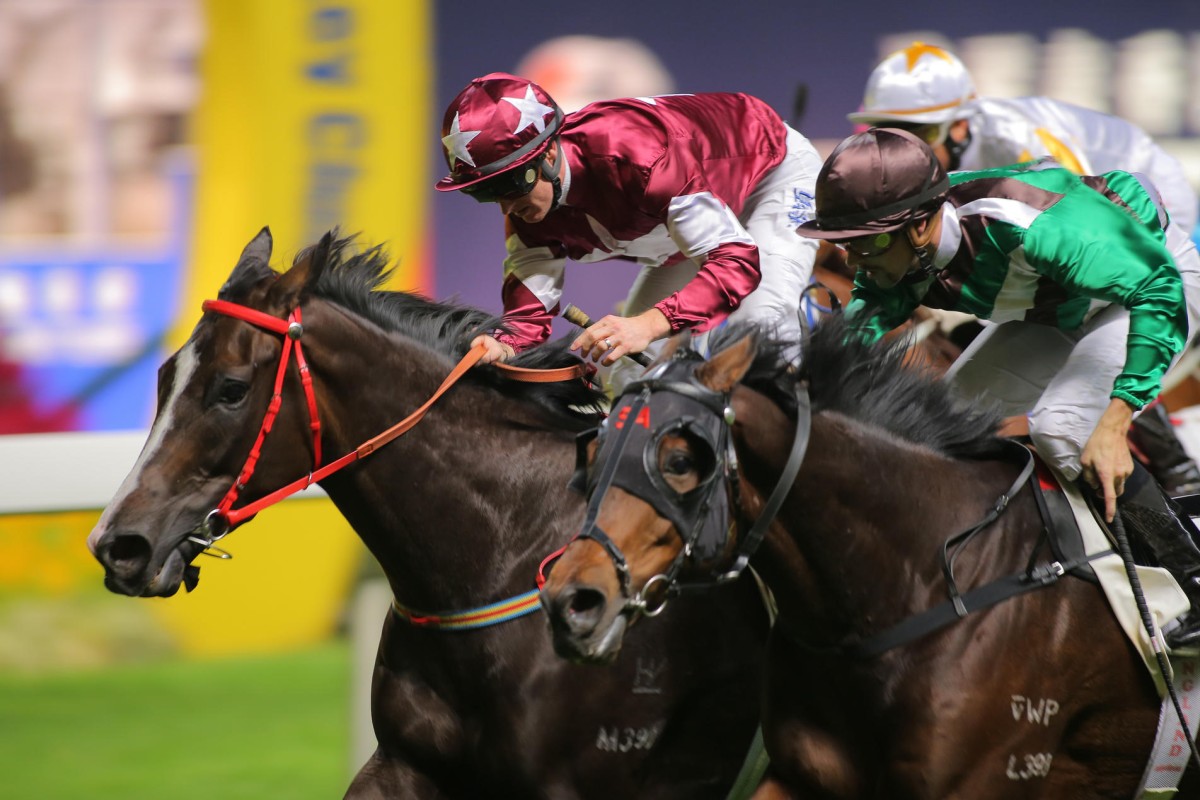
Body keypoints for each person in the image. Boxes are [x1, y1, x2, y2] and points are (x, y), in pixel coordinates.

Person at [796, 127, 1200, 646]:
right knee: (933, 429)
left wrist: (1116, 421)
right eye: (843, 244)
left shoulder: (1025, 225)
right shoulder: (900, 245)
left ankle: (1190, 568)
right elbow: (855, 335)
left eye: (865, 243)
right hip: (1057, 305)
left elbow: (1156, 289)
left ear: (919, 227)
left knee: (1064, 430)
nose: (853, 263)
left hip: (1151, 284)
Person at [846, 40, 1200, 496]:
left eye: (920, 133)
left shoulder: (1017, 141)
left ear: (959, 127)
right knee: (946, 415)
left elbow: (1094, 231)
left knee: (1068, 417)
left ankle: (1175, 472)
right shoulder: (917, 177)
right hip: (1057, 264)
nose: (906, 147)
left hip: (1136, 212)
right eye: (890, 131)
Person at [434, 72, 821, 389]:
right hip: (684, 230)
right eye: (486, 194)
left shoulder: (637, 158)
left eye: (509, 186)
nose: (506, 207)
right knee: (627, 375)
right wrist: (503, 345)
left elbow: (735, 262)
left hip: (770, 176)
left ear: (549, 153)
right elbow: (527, 321)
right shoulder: (529, 208)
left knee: (757, 334)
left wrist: (648, 324)